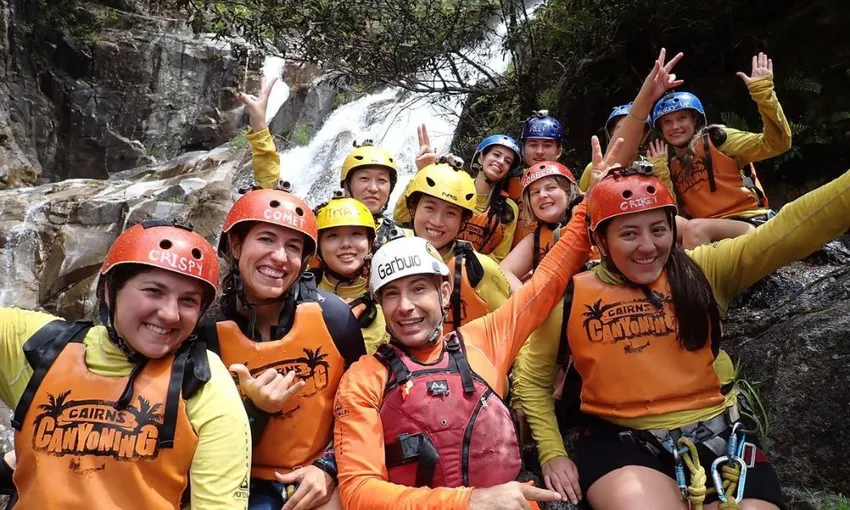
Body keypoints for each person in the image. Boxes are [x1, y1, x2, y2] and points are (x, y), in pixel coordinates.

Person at [330, 138, 626, 510]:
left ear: (443, 291)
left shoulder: (484, 340)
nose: (405, 307)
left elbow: (547, 283)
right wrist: (471, 501)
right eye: (391, 295)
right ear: (378, 301)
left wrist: (587, 205)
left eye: (418, 289)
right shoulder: (363, 380)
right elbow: (359, 491)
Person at [0, 221, 252, 509]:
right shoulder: (40, 346)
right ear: (110, 290)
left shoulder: (202, 379)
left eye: (188, 300)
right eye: (154, 291)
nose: (170, 314)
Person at [206, 187, 367, 510]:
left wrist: (329, 468)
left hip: (321, 470)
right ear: (236, 246)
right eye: (266, 239)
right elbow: (199, 442)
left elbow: (364, 406)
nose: (280, 257)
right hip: (240, 480)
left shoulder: (335, 319)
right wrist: (256, 410)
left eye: (293, 247)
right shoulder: (204, 332)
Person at [240, 79, 408, 251]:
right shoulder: (321, 224)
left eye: (381, 181)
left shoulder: (401, 237)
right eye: (364, 178)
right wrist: (260, 127)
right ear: (347, 185)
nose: (373, 188)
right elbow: (273, 198)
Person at [648, 52, 792, 226]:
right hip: (709, 239)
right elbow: (674, 216)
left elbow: (777, 143)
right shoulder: (671, 165)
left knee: (696, 230)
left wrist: (763, 93)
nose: (675, 126)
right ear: (662, 130)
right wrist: (661, 172)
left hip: (749, 221)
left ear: (695, 120)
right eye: (667, 122)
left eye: (682, 118)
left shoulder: (717, 140)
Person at [404, 157, 514, 332]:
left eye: (451, 213)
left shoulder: (480, 269)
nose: (437, 221)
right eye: (430, 208)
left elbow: (512, 325)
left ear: (463, 222)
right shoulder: (391, 257)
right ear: (412, 209)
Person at [310, 193, 388, 354]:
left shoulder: (388, 286)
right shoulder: (302, 292)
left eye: (356, 234)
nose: (346, 244)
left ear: (370, 243)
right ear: (318, 248)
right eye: (333, 236)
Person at [454, 135, 523, 262]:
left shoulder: (509, 209)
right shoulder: (454, 186)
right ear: (481, 156)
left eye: (507, 161)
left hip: (476, 276)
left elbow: (499, 257)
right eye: (496, 155)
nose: (501, 161)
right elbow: (405, 215)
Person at [510, 111, 566, 249]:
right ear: (523, 149)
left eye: (547, 145)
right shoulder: (507, 183)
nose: (539, 151)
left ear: (558, 151)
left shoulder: (567, 186)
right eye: (533, 145)